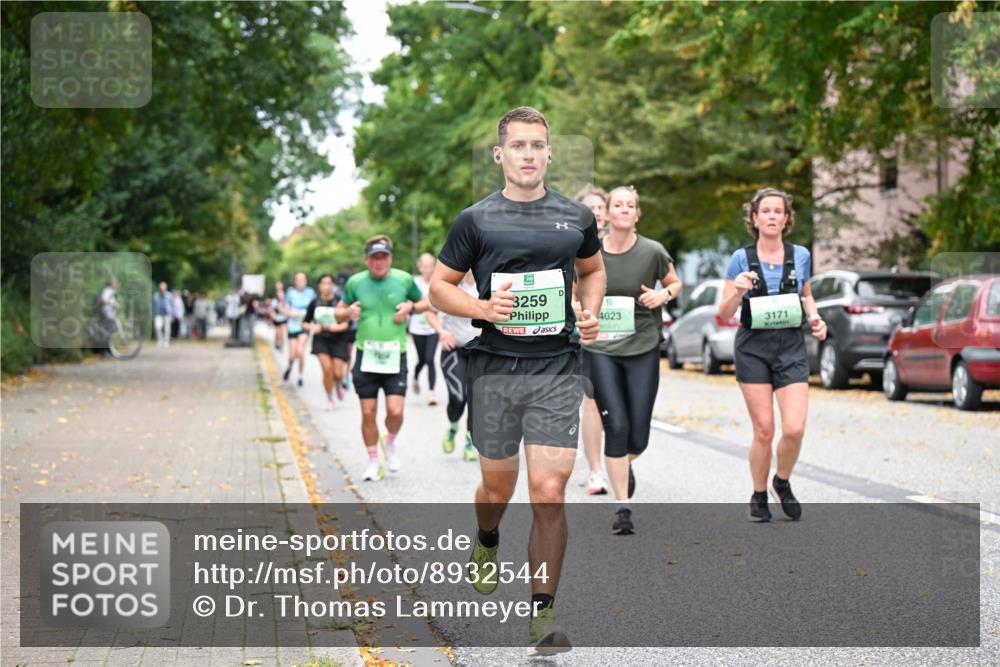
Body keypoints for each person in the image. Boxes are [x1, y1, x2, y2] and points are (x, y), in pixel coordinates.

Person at [429, 106, 605, 655]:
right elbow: (439, 288)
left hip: (555, 366)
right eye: (519, 146)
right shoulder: (475, 220)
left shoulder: (576, 218)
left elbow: (592, 269)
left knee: (549, 493)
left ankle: (543, 617)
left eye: (538, 145)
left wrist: (589, 310)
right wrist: (482, 306)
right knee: (498, 490)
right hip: (494, 371)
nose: (529, 155)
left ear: (549, 153)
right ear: (500, 155)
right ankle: (486, 536)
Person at [717, 187, 828, 522]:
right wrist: (738, 290)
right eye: (765, 211)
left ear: (786, 218)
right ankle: (759, 493)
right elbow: (724, 312)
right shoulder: (741, 258)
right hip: (753, 347)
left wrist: (816, 317)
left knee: (794, 428)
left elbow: (805, 295)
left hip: (790, 345)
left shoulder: (801, 256)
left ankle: (782, 481)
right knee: (764, 429)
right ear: (755, 218)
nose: (771, 217)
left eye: (778, 211)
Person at [583, 186, 682, 534]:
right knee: (618, 426)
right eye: (617, 205)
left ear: (637, 214)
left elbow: (674, 283)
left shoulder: (652, 251)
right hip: (600, 349)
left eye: (630, 205)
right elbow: (573, 291)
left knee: (638, 436)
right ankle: (622, 506)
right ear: (607, 213)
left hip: (642, 346)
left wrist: (662, 294)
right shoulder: (589, 251)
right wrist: (579, 313)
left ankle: (622, 463)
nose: (624, 210)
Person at [335, 236, 428, 481]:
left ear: (390, 258)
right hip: (366, 355)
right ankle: (374, 460)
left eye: (383, 257)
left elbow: (426, 302)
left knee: (395, 412)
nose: (379, 262)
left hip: (395, 354)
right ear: (366, 260)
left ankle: (390, 441)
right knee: (368, 413)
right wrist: (348, 312)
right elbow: (337, 314)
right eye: (374, 258)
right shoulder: (355, 282)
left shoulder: (404, 279)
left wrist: (410, 308)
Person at [574, 184, 611, 495]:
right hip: (585, 335)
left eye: (600, 208)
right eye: (590, 208)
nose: (596, 213)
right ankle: (595, 470)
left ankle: (620, 459)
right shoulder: (572, 247)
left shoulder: (622, 245)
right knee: (593, 401)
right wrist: (578, 308)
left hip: (623, 339)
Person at [425, 270, 479, 461]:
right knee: (458, 397)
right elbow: (428, 310)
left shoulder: (488, 282)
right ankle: (453, 426)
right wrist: (441, 331)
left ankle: (469, 442)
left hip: (480, 352)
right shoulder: (450, 284)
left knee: (477, 399)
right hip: (454, 351)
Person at [303, 274, 351, 410]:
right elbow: (305, 323)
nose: (326, 286)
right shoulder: (314, 302)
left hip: (339, 339)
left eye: (329, 283)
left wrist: (337, 327)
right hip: (321, 339)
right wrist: (313, 327)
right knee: (327, 369)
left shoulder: (340, 301)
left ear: (333, 285)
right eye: (323, 283)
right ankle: (329, 398)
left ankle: (338, 383)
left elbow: (348, 323)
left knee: (338, 373)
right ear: (319, 286)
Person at [409, 252, 440, 405]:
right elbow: (409, 302)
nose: (427, 269)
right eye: (424, 266)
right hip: (417, 328)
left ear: (434, 267)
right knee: (421, 359)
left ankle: (431, 393)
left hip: (433, 328)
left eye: (430, 266)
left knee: (429, 359)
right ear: (420, 267)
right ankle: (415, 377)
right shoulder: (414, 283)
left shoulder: (437, 282)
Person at [282, 273, 316, 387]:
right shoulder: (290, 293)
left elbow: (315, 307)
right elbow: (284, 308)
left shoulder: (310, 293)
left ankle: (300, 376)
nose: (300, 282)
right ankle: (290, 366)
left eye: (302, 280)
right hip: (293, 326)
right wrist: (290, 313)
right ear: (295, 281)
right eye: (298, 280)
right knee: (292, 355)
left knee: (300, 351)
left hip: (304, 325)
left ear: (306, 281)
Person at [153, 282, 173, 347]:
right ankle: (160, 341)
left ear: (166, 287)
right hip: (158, 313)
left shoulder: (169, 295)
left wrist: (172, 313)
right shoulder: (155, 295)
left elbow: (172, 304)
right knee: (157, 327)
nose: (162, 288)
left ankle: (166, 341)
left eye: (163, 287)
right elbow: (153, 305)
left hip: (167, 313)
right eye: (161, 287)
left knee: (167, 328)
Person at [271, 282, 288, 351]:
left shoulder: (285, 298)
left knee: (282, 331)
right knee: (278, 331)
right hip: (277, 318)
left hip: (283, 317)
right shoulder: (275, 300)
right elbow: (272, 309)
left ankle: (281, 344)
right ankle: (277, 342)